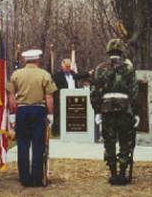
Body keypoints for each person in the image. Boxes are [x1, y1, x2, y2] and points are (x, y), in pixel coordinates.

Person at [90, 38, 139, 185]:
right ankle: (122, 173)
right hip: (125, 112)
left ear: (108, 51)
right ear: (122, 51)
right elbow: (135, 92)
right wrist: (136, 112)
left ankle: (113, 174)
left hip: (107, 112)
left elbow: (94, 92)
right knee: (125, 142)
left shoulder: (100, 68)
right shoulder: (129, 69)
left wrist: (97, 111)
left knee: (109, 142)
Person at [7, 48, 57, 187]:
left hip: (22, 111)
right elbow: (49, 97)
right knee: (38, 144)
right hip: (38, 110)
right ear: (37, 60)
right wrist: (51, 114)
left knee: (22, 144)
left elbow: (11, 97)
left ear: (25, 60)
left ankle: (24, 178)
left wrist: (12, 114)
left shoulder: (16, 74)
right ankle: (37, 178)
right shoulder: (44, 74)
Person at [51, 57, 90, 135]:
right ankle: (57, 131)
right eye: (67, 67)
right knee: (59, 115)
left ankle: (73, 129)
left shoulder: (73, 74)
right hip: (61, 99)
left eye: (69, 66)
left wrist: (88, 73)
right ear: (62, 66)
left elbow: (79, 76)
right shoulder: (57, 75)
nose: (68, 68)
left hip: (72, 98)